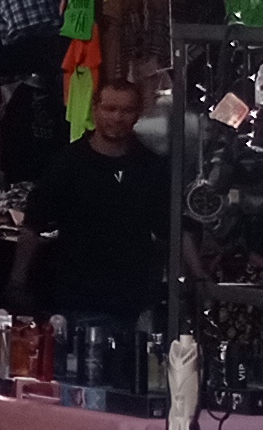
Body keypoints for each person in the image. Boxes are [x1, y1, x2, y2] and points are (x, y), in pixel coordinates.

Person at [14, 73, 170, 362]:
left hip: (131, 302)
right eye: (110, 108)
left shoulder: (152, 167)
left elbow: (167, 231)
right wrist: (17, 282)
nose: (117, 117)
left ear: (137, 114)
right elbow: (33, 225)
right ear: (95, 109)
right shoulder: (67, 164)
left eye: (126, 110)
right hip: (77, 297)